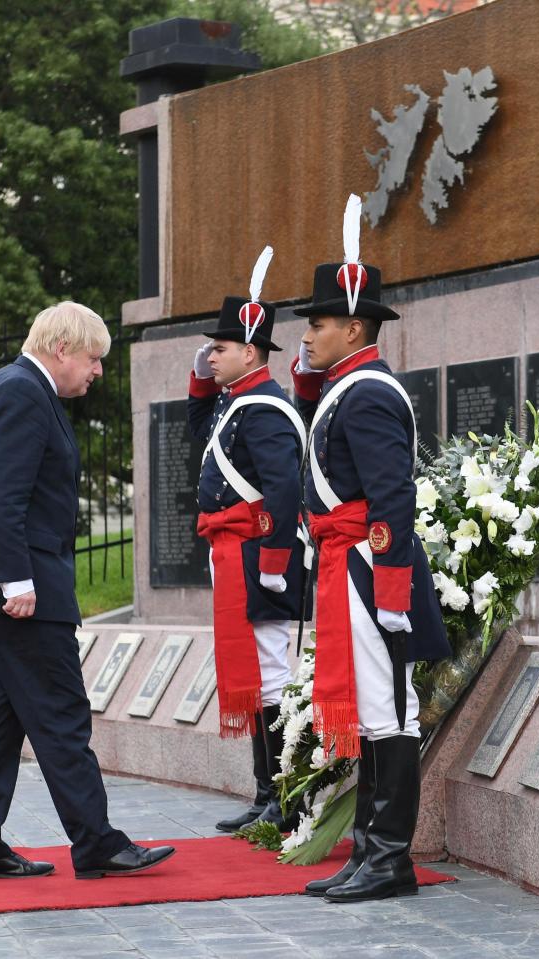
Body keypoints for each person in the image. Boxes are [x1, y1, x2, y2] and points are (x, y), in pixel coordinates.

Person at [0, 301, 175, 881]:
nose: (97, 371)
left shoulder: (12, 386)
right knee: (61, 711)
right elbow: (1, 497)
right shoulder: (22, 392)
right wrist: (14, 580)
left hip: (0, 585)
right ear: (62, 348)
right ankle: (96, 842)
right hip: (21, 591)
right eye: (93, 359)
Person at [291, 197, 450, 902]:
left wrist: (388, 592)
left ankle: (390, 855)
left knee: (389, 711)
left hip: (366, 566)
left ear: (353, 325)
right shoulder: (345, 387)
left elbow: (391, 499)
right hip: (349, 563)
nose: (309, 334)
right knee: (374, 708)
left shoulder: (368, 393)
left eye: (319, 323)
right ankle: (369, 850)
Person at [187, 247, 310, 833]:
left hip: (261, 556)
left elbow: (283, 493)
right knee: (259, 676)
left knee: (271, 673)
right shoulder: (234, 402)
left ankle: (284, 797)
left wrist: (274, 563)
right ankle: (267, 792)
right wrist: (198, 379)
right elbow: (200, 438)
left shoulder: (262, 409)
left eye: (220, 348)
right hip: (235, 554)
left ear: (251, 352)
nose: (211, 355)